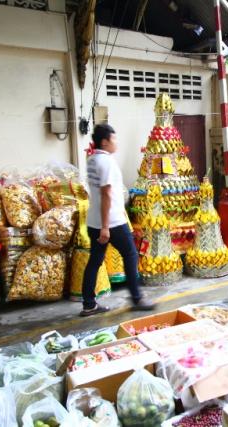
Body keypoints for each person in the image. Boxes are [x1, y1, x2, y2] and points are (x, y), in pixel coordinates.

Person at [81, 124, 155, 316]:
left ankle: (89, 304)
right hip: (110, 223)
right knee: (130, 254)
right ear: (104, 142)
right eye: (114, 139)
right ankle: (137, 298)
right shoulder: (106, 162)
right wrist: (106, 227)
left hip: (95, 221)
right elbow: (106, 194)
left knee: (95, 261)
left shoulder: (92, 159)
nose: (116, 143)